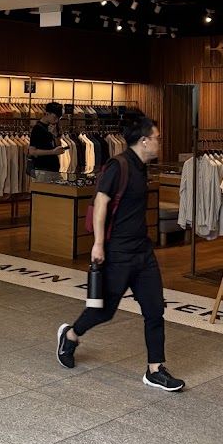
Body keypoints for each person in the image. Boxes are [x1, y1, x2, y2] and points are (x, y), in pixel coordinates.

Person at [56, 116, 185, 392]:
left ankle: (155, 370)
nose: (160, 142)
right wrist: (99, 244)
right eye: (157, 138)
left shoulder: (142, 168)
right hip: (118, 252)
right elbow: (101, 203)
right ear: (144, 141)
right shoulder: (119, 165)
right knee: (103, 311)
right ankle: (71, 335)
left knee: (154, 310)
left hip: (143, 252)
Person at [28, 102, 69, 173]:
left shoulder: (54, 126)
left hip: (53, 167)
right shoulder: (37, 129)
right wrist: (52, 152)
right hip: (42, 168)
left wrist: (56, 135)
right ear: (47, 114)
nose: (56, 120)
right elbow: (32, 151)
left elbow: (58, 146)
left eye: (59, 118)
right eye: (55, 117)